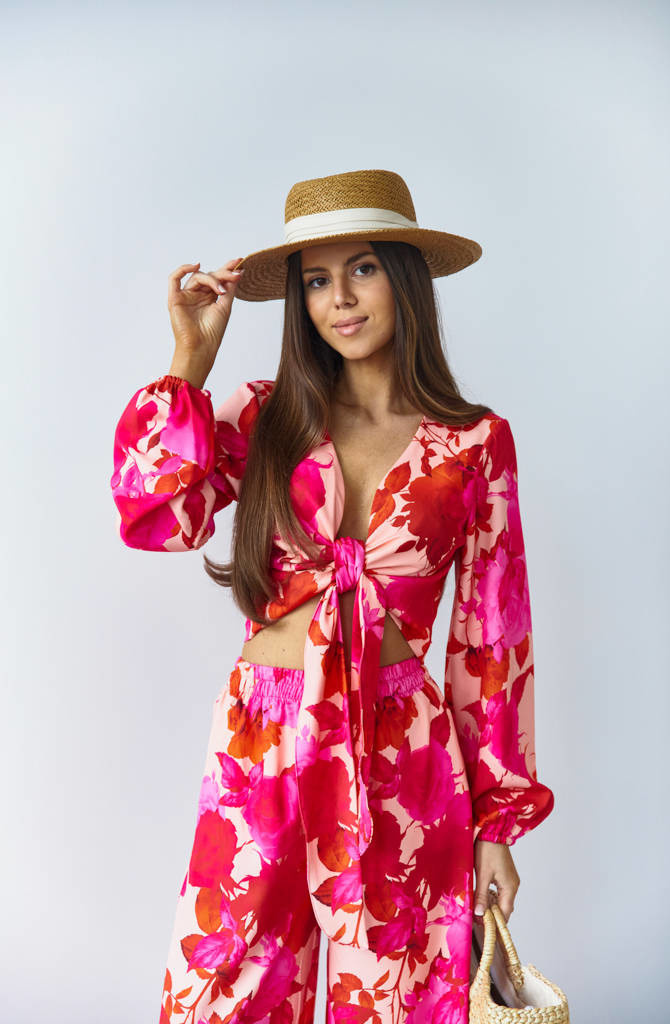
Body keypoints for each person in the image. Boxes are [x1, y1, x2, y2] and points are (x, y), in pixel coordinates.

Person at [110, 168, 555, 1024]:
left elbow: (493, 642)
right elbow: (159, 517)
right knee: (226, 992)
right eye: (315, 280)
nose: (339, 299)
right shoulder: (265, 416)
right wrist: (189, 362)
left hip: (405, 751)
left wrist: (497, 827)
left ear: (405, 279)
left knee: (398, 997)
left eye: (363, 269)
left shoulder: (473, 443)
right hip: (262, 738)